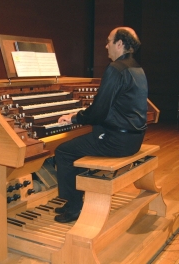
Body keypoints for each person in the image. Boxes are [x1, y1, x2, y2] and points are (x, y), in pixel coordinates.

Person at [54, 27, 148, 223]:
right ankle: (75, 197)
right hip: (134, 138)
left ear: (120, 44)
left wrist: (75, 118)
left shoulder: (115, 68)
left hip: (116, 141)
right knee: (79, 146)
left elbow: (99, 111)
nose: (106, 46)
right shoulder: (136, 68)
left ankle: (74, 206)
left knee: (64, 151)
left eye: (109, 41)